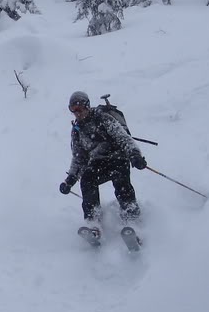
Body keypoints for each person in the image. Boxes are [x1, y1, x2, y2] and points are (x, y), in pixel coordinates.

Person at [59, 90, 147, 223]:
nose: (77, 112)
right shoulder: (77, 130)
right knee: (87, 180)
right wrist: (70, 180)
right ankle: (93, 221)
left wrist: (134, 155)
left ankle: (132, 217)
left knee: (121, 181)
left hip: (118, 157)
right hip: (98, 163)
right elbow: (79, 158)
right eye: (73, 109)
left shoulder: (103, 118)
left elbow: (123, 138)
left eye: (80, 108)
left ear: (87, 106)